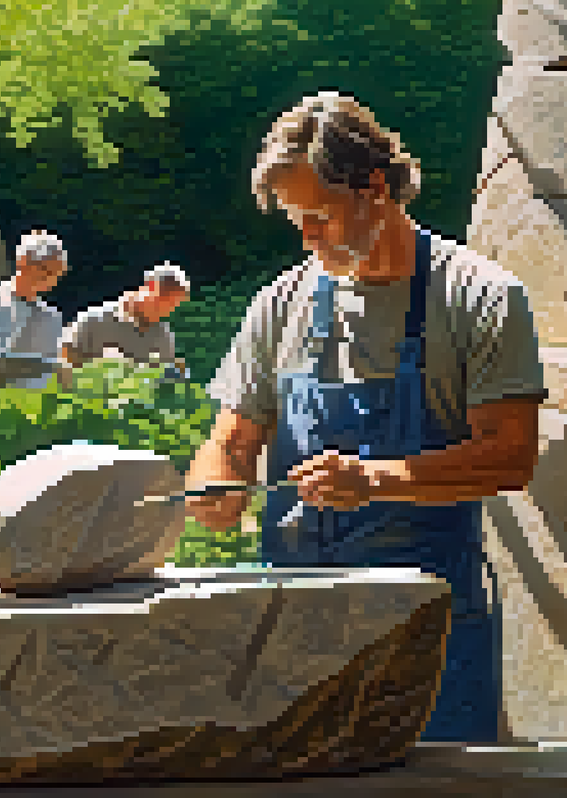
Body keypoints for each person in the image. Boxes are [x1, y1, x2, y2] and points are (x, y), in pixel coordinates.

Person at [183, 92, 546, 743]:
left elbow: (509, 455)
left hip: (428, 634)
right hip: (295, 634)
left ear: (375, 188)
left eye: (318, 215)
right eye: (295, 218)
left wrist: (376, 479)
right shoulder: (281, 303)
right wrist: (214, 485)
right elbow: (232, 441)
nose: (306, 235)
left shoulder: (478, 296)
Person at [0, 230, 71, 389]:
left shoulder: (52, 316)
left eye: (58, 273)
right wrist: (47, 367)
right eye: (47, 270)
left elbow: (60, 377)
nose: (53, 279)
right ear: (23, 262)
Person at [60, 262, 192, 378]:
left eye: (173, 305)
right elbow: (64, 366)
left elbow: (162, 383)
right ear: (150, 286)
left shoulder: (164, 335)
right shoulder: (93, 319)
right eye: (165, 300)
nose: (167, 310)